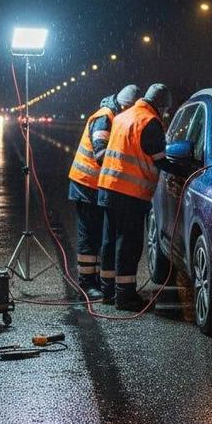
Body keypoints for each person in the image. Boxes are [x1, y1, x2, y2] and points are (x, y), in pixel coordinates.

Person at [98, 83, 172, 309]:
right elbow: (161, 161)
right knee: (128, 244)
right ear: (160, 105)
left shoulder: (124, 116)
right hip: (129, 193)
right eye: (166, 109)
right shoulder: (150, 122)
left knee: (110, 241)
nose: (165, 114)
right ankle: (125, 296)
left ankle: (108, 292)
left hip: (108, 187)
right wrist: (187, 170)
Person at [68, 85, 141, 299]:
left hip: (96, 184)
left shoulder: (111, 116)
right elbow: (100, 153)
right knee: (88, 235)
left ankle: (97, 281)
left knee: (98, 233)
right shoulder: (105, 117)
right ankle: (86, 284)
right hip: (86, 183)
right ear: (125, 105)